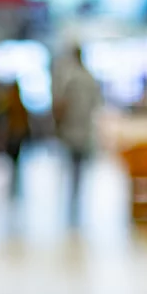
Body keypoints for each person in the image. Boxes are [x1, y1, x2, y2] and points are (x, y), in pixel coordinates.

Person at [53, 46, 102, 221]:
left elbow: (61, 104)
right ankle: (77, 195)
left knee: (73, 164)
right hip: (83, 128)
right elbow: (97, 104)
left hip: (72, 128)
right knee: (79, 166)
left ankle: (73, 196)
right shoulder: (89, 78)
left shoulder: (70, 78)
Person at [4, 80, 30, 197]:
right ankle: (14, 178)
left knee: (13, 158)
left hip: (14, 133)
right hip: (17, 133)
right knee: (15, 158)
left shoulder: (11, 103)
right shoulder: (16, 103)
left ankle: (14, 179)